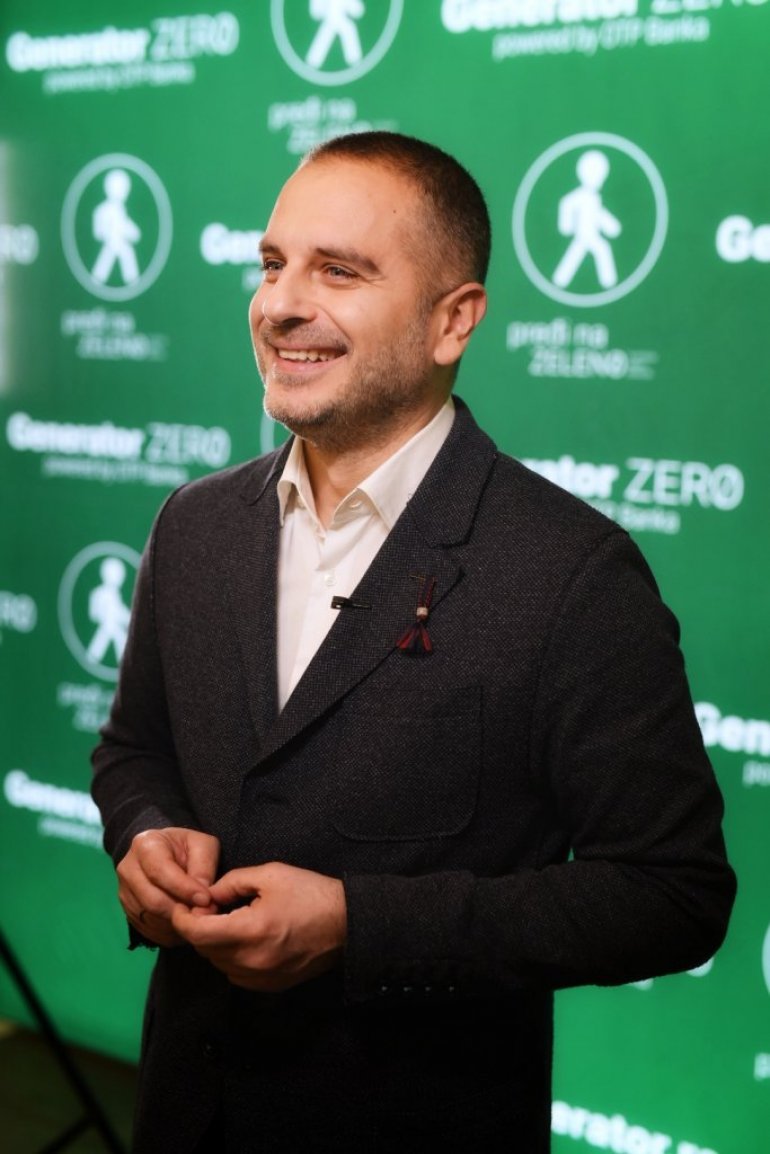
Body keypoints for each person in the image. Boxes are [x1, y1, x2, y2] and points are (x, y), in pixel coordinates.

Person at [91, 132, 735, 1153]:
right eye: (272, 263)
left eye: (338, 272)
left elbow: (670, 892)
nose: (279, 304)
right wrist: (142, 831)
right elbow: (133, 749)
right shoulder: (194, 525)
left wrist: (359, 926)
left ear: (453, 320)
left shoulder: (572, 572)